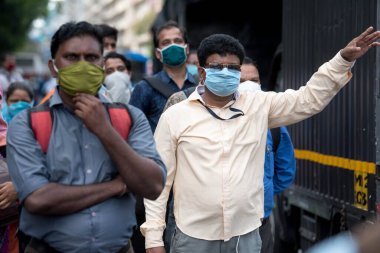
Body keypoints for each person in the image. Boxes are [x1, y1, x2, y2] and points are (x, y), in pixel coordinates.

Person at [141, 27, 380, 253]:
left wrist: (343, 60)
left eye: (232, 68)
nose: (226, 72)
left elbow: (308, 99)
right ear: (202, 72)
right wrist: (153, 239)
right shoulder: (175, 116)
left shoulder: (259, 106)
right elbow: (159, 182)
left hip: (245, 235)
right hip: (193, 238)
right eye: (217, 66)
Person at [6, 21, 166, 253]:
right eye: (71, 57)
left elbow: (152, 186)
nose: (82, 66)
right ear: (53, 67)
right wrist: (115, 186)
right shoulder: (27, 123)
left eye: (91, 57)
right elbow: (37, 199)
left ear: (102, 63)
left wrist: (105, 130)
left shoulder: (129, 117)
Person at [239, 57, 296, 253]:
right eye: (241, 81)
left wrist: (263, 193)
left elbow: (285, 171)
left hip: (259, 223)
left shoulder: (273, 124)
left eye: (254, 80)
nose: (248, 85)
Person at [129, 20, 197, 132]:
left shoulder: (201, 84)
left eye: (178, 41)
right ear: (158, 54)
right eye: (166, 42)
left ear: (187, 49)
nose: (173, 46)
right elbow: (134, 129)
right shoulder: (145, 88)